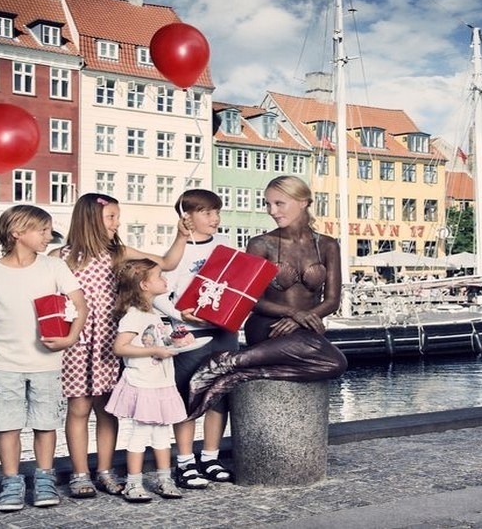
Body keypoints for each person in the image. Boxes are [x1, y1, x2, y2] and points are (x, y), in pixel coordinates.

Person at [50, 192, 185, 498]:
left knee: (106, 410)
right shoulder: (60, 258)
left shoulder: (117, 253)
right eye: (111, 217)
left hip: (110, 339)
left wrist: (180, 236)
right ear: (90, 219)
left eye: (116, 217)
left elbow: (165, 263)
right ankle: (79, 473)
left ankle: (105, 471)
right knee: (78, 407)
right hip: (77, 340)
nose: (117, 222)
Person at [0, 205, 88, 511]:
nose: (48, 236)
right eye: (42, 230)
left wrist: (71, 337)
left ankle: (44, 480)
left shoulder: (54, 267)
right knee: (8, 425)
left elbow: (80, 306)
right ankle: (12, 483)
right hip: (5, 363)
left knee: (45, 424)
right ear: (17, 233)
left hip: (47, 362)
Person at [187, 175, 347, 419]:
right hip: (268, 328)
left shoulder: (327, 245)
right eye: (268, 204)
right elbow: (250, 299)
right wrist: (293, 313)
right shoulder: (261, 243)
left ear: (303, 201)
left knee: (335, 364)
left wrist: (300, 319)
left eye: (279, 203)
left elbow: (332, 300)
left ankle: (237, 369)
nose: (272, 211)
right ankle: (227, 362)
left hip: (303, 332)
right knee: (326, 354)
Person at [153, 189, 239, 488]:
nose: (215, 218)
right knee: (188, 398)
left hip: (225, 331)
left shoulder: (226, 244)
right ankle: (186, 461)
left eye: (217, 212)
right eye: (207, 212)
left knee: (218, 397)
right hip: (191, 334)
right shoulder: (178, 251)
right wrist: (179, 314)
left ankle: (211, 457)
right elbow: (158, 292)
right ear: (186, 217)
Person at [105, 259, 188, 503]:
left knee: (163, 434)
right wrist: (156, 352)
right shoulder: (134, 315)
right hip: (143, 384)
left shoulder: (153, 313)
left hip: (161, 383)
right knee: (139, 434)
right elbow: (120, 347)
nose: (165, 281)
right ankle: (133, 483)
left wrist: (174, 344)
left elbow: (154, 342)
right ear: (144, 285)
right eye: (160, 276)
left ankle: (165, 479)